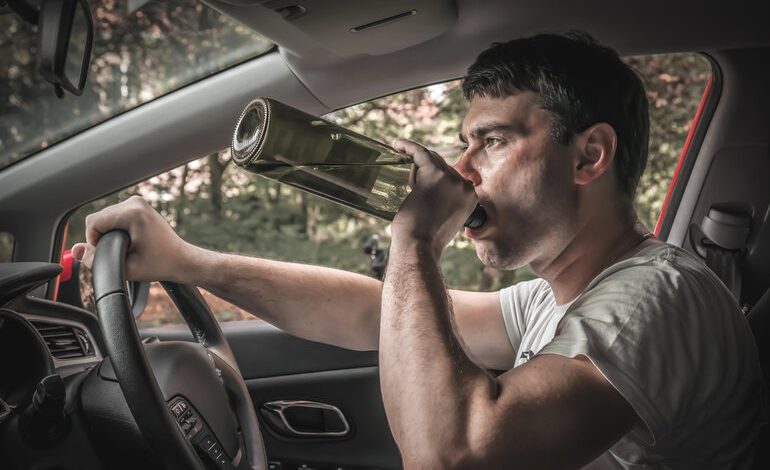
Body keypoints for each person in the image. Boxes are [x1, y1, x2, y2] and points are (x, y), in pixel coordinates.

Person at [72, 33, 765, 469]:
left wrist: (415, 238)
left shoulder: (654, 299)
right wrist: (192, 263)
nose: (463, 170)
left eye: (491, 141)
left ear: (589, 156)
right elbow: (370, 314)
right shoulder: (565, 297)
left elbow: (450, 455)